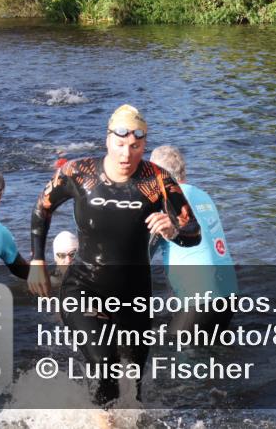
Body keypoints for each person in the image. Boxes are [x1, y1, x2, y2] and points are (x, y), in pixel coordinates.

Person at [28, 104, 200, 406]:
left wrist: (173, 229)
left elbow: (193, 233)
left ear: (144, 145)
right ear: (107, 140)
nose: (126, 154)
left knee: (132, 391)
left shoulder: (157, 180)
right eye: (120, 145)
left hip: (134, 295)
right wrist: (37, 261)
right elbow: (42, 208)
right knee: (104, 369)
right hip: (83, 287)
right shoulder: (78, 172)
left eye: (135, 146)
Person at [149, 145, 237, 332]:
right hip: (229, 293)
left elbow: (143, 253)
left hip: (201, 297)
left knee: (176, 352)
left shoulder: (167, 200)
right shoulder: (203, 195)